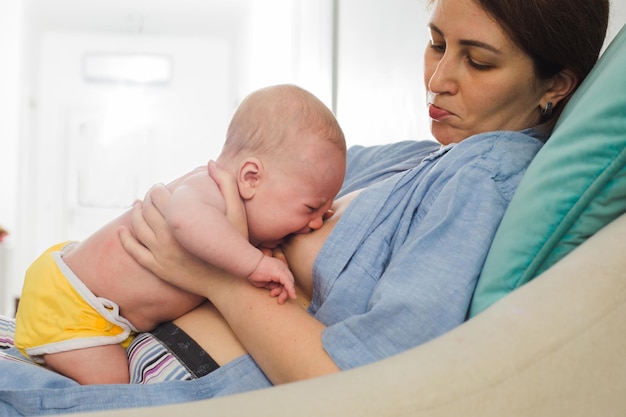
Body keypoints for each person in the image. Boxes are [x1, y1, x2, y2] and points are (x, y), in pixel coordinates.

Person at [0, 0, 609, 413]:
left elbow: (378, 384)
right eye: (435, 43)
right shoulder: (407, 160)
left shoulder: (483, 180)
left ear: (556, 85)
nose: (438, 78)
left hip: (168, 381)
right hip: (117, 333)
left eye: (477, 61)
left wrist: (211, 273)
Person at [12, 84, 347, 385]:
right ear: (250, 178)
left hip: (100, 308)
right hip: (73, 300)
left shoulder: (237, 221)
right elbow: (184, 220)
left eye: (326, 212)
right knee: (111, 382)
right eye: (311, 209)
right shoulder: (210, 188)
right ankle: (46, 353)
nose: (317, 223)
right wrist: (255, 263)